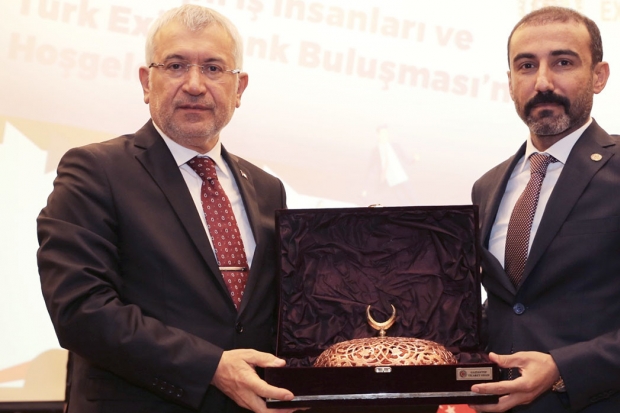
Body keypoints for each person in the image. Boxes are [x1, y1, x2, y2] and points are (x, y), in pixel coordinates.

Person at [36, 5, 297, 413]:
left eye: (213, 68)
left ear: (239, 88)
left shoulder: (268, 189)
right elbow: (80, 310)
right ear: (146, 81)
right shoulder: (95, 171)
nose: (194, 84)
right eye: (176, 66)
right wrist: (211, 367)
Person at [469, 6, 620, 413]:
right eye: (526, 66)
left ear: (599, 76)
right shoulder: (487, 186)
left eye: (563, 62)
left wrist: (562, 368)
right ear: (510, 82)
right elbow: (511, 306)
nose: (542, 82)